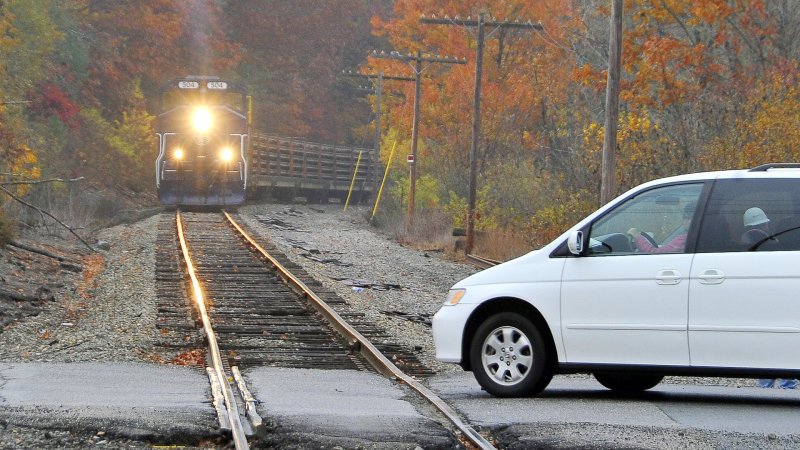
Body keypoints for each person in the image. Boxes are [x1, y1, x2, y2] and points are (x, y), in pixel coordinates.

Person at [628, 201, 696, 253]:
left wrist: (637, 236)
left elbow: (655, 253)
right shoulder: (696, 237)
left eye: (686, 217)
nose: (684, 220)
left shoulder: (685, 239)